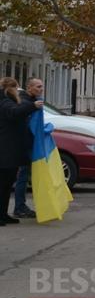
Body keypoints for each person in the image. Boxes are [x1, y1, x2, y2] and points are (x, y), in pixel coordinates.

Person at [0, 77, 44, 225]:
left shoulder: (9, 101)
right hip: (6, 150)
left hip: (10, 149)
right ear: (10, 89)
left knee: (7, 184)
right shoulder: (5, 102)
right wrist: (33, 106)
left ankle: (3, 214)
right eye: (16, 88)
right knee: (4, 184)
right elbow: (15, 112)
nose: (18, 91)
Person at [13, 78, 45, 219]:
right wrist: (33, 106)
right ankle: (19, 207)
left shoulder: (33, 101)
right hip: (24, 145)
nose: (41, 89)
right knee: (23, 176)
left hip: (30, 144)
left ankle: (21, 206)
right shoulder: (25, 101)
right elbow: (23, 118)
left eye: (42, 86)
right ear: (29, 88)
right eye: (38, 86)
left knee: (25, 176)